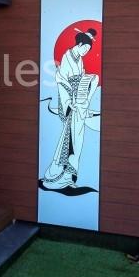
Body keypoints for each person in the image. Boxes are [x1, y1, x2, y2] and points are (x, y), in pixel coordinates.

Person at [41, 28, 100, 190]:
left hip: (78, 100)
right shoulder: (67, 57)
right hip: (70, 101)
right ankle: (58, 174)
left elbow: (81, 77)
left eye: (88, 51)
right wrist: (70, 101)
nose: (86, 53)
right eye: (85, 49)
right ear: (80, 44)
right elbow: (61, 80)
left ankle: (67, 175)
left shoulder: (78, 59)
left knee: (77, 138)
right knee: (71, 138)